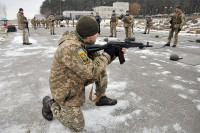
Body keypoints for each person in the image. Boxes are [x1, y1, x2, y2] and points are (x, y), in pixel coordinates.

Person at [42, 16, 126, 132]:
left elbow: (98, 64)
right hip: (65, 89)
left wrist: (113, 53)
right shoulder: (71, 47)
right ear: (88, 36)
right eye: (96, 33)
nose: (98, 35)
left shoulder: (82, 41)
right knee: (77, 125)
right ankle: (50, 104)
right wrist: (107, 54)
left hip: (75, 79)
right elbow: (91, 72)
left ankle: (101, 98)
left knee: (101, 70)